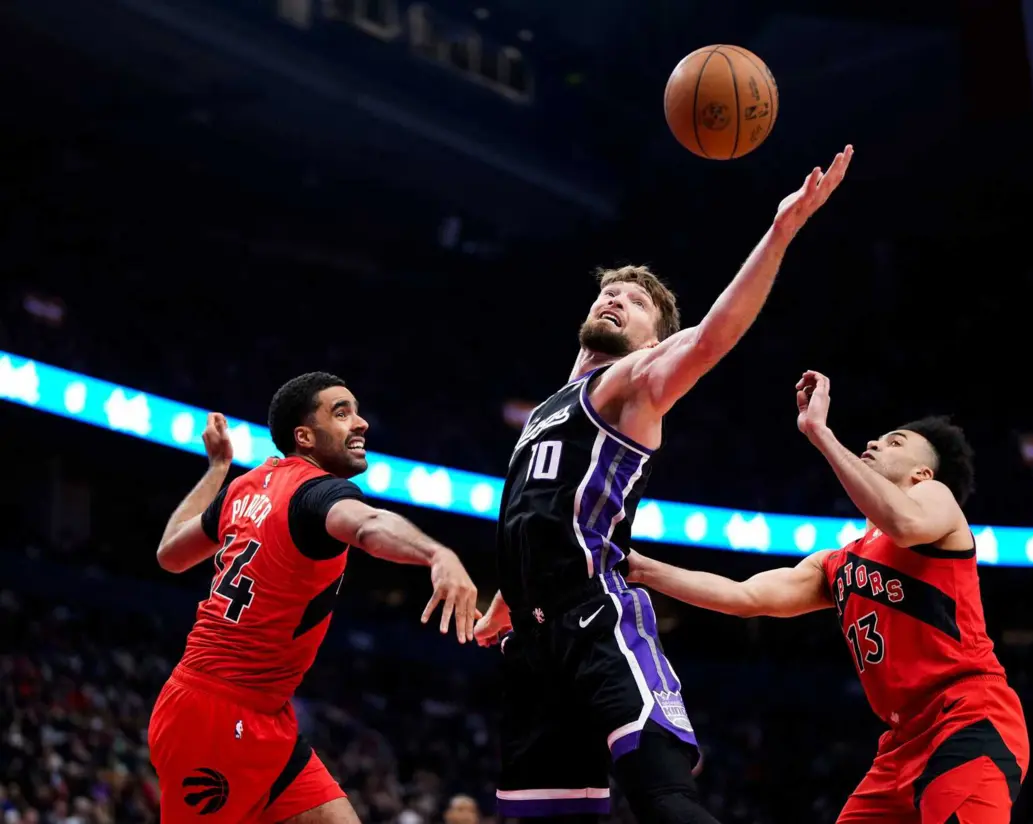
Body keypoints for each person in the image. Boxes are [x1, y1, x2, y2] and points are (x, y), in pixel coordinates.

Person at [472, 147, 853, 823]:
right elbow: (537, 517)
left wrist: (781, 231)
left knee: (665, 803)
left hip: (598, 623)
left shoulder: (631, 385)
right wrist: (509, 595)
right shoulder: (543, 412)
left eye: (637, 300)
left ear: (655, 341)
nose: (615, 296)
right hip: (533, 647)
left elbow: (710, 340)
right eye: (608, 291)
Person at [627, 371, 1030, 824]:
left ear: (922, 472)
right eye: (877, 439)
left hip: (968, 720)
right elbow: (744, 595)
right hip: (900, 742)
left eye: (895, 443)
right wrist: (642, 568)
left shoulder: (936, 500)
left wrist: (821, 434)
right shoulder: (835, 564)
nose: (876, 444)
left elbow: (906, 525)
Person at [148, 372, 478, 823]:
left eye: (357, 411)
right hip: (214, 718)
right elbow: (367, 525)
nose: (360, 423)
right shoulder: (316, 492)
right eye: (341, 413)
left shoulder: (243, 489)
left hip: (265, 715)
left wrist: (217, 470)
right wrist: (436, 553)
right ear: (304, 437)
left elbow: (170, 554)